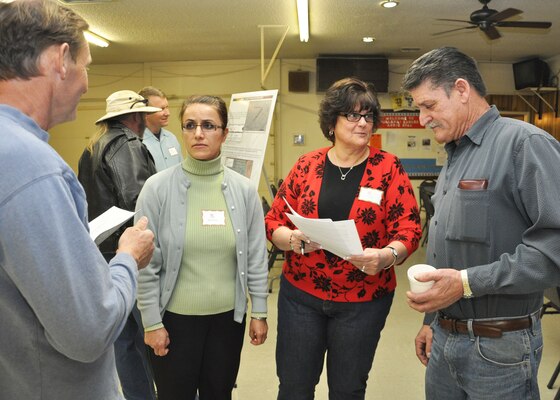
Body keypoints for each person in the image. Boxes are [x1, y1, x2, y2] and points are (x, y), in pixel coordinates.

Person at [0, 1, 154, 399]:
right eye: (87, 66)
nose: (86, 84)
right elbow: (90, 330)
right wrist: (127, 258)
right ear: (60, 59)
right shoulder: (30, 165)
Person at [402, 46, 560, 400]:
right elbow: (448, 251)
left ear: (461, 90)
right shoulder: (455, 154)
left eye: (429, 106)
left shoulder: (525, 144)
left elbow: (554, 250)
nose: (422, 119)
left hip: (500, 348)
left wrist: (467, 283)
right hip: (445, 339)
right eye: (419, 109)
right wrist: (433, 322)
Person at [264, 77, 422, 399]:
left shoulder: (388, 168)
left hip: (363, 300)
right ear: (332, 122)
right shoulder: (307, 165)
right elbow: (274, 220)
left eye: (368, 116)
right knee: (294, 386)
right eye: (353, 115)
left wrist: (387, 256)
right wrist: (291, 239)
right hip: (302, 296)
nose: (363, 123)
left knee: (347, 389)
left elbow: (409, 228)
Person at [136, 95, 269, 400]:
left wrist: (259, 310)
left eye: (209, 125)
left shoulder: (244, 190)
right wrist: (151, 321)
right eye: (190, 125)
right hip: (173, 322)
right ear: (181, 131)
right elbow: (146, 264)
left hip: (227, 322)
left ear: (224, 133)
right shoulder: (157, 188)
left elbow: (255, 257)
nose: (198, 133)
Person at [78, 90, 161, 400]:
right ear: (135, 117)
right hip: (132, 256)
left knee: (124, 345)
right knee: (153, 339)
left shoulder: (92, 147)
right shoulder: (128, 144)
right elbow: (138, 202)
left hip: (103, 256)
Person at [138, 86, 183, 171]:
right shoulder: (136, 143)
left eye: (167, 107)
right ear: (146, 112)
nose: (168, 113)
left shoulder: (171, 138)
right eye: (161, 109)